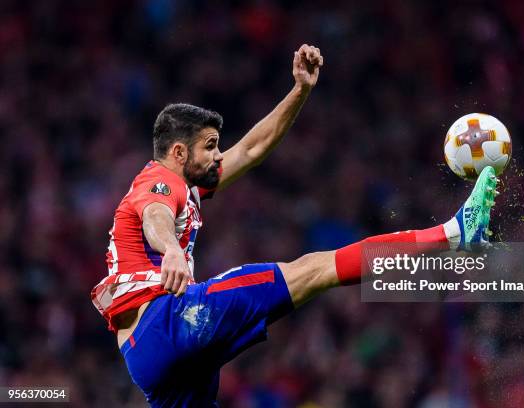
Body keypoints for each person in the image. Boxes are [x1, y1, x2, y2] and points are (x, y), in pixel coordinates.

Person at [91, 44, 499, 407]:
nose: (219, 156)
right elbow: (155, 216)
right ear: (179, 152)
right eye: (211, 147)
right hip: (166, 325)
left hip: (150, 363)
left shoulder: (189, 185)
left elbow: (252, 148)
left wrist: (300, 91)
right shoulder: (159, 182)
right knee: (314, 268)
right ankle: (453, 234)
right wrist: (173, 250)